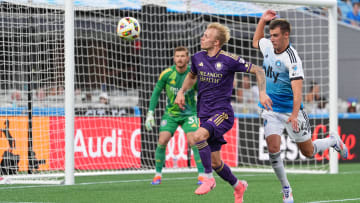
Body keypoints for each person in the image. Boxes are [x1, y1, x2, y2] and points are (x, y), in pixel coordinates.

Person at [252, 10, 349, 203]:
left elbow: (298, 92)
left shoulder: (293, 59)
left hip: (291, 111)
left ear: (286, 35)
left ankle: (332, 141)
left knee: (308, 151)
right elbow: (256, 42)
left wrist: (295, 115)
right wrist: (262, 21)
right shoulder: (268, 45)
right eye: (271, 35)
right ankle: (286, 188)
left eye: (276, 36)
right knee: (273, 147)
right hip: (271, 110)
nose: (272, 39)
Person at [175, 23, 272, 203]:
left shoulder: (229, 59)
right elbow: (191, 76)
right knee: (216, 162)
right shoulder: (197, 58)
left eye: (206, 36)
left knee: (197, 137)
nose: (202, 38)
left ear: (216, 42)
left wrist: (262, 92)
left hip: (222, 114)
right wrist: (181, 91)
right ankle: (238, 186)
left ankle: (208, 178)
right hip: (204, 114)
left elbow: (258, 70)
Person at [145, 46, 205, 185]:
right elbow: (156, 93)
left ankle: (202, 175)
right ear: (174, 58)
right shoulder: (167, 74)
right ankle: (157, 175)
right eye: (177, 56)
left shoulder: (193, 75)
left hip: (189, 113)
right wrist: (150, 113)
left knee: (194, 141)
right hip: (171, 114)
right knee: (162, 140)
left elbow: (202, 94)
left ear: (187, 58)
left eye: (183, 56)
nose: (180, 59)